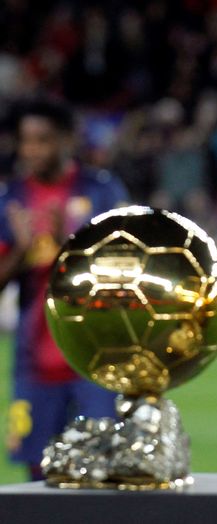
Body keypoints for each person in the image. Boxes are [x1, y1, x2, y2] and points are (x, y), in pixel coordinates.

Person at [0, 99, 129, 480]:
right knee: (38, 479)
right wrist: (22, 250)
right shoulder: (11, 199)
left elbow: (123, 271)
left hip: (97, 359)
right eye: (26, 141)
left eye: (42, 140)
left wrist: (67, 245)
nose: (32, 150)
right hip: (35, 363)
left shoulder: (102, 191)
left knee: (103, 472)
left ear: (66, 140)